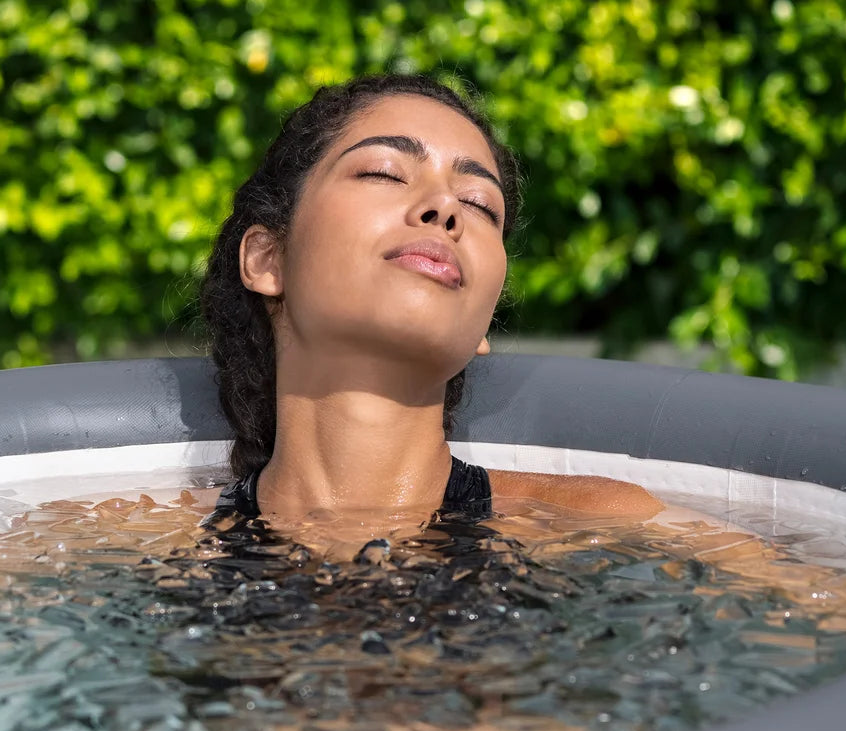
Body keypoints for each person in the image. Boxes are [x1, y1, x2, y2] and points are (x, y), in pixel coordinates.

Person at [198, 72, 670, 529]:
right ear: (268, 259)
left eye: (479, 204)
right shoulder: (153, 539)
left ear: (485, 319)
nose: (445, 206)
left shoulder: (615, 527)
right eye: (384, 173)